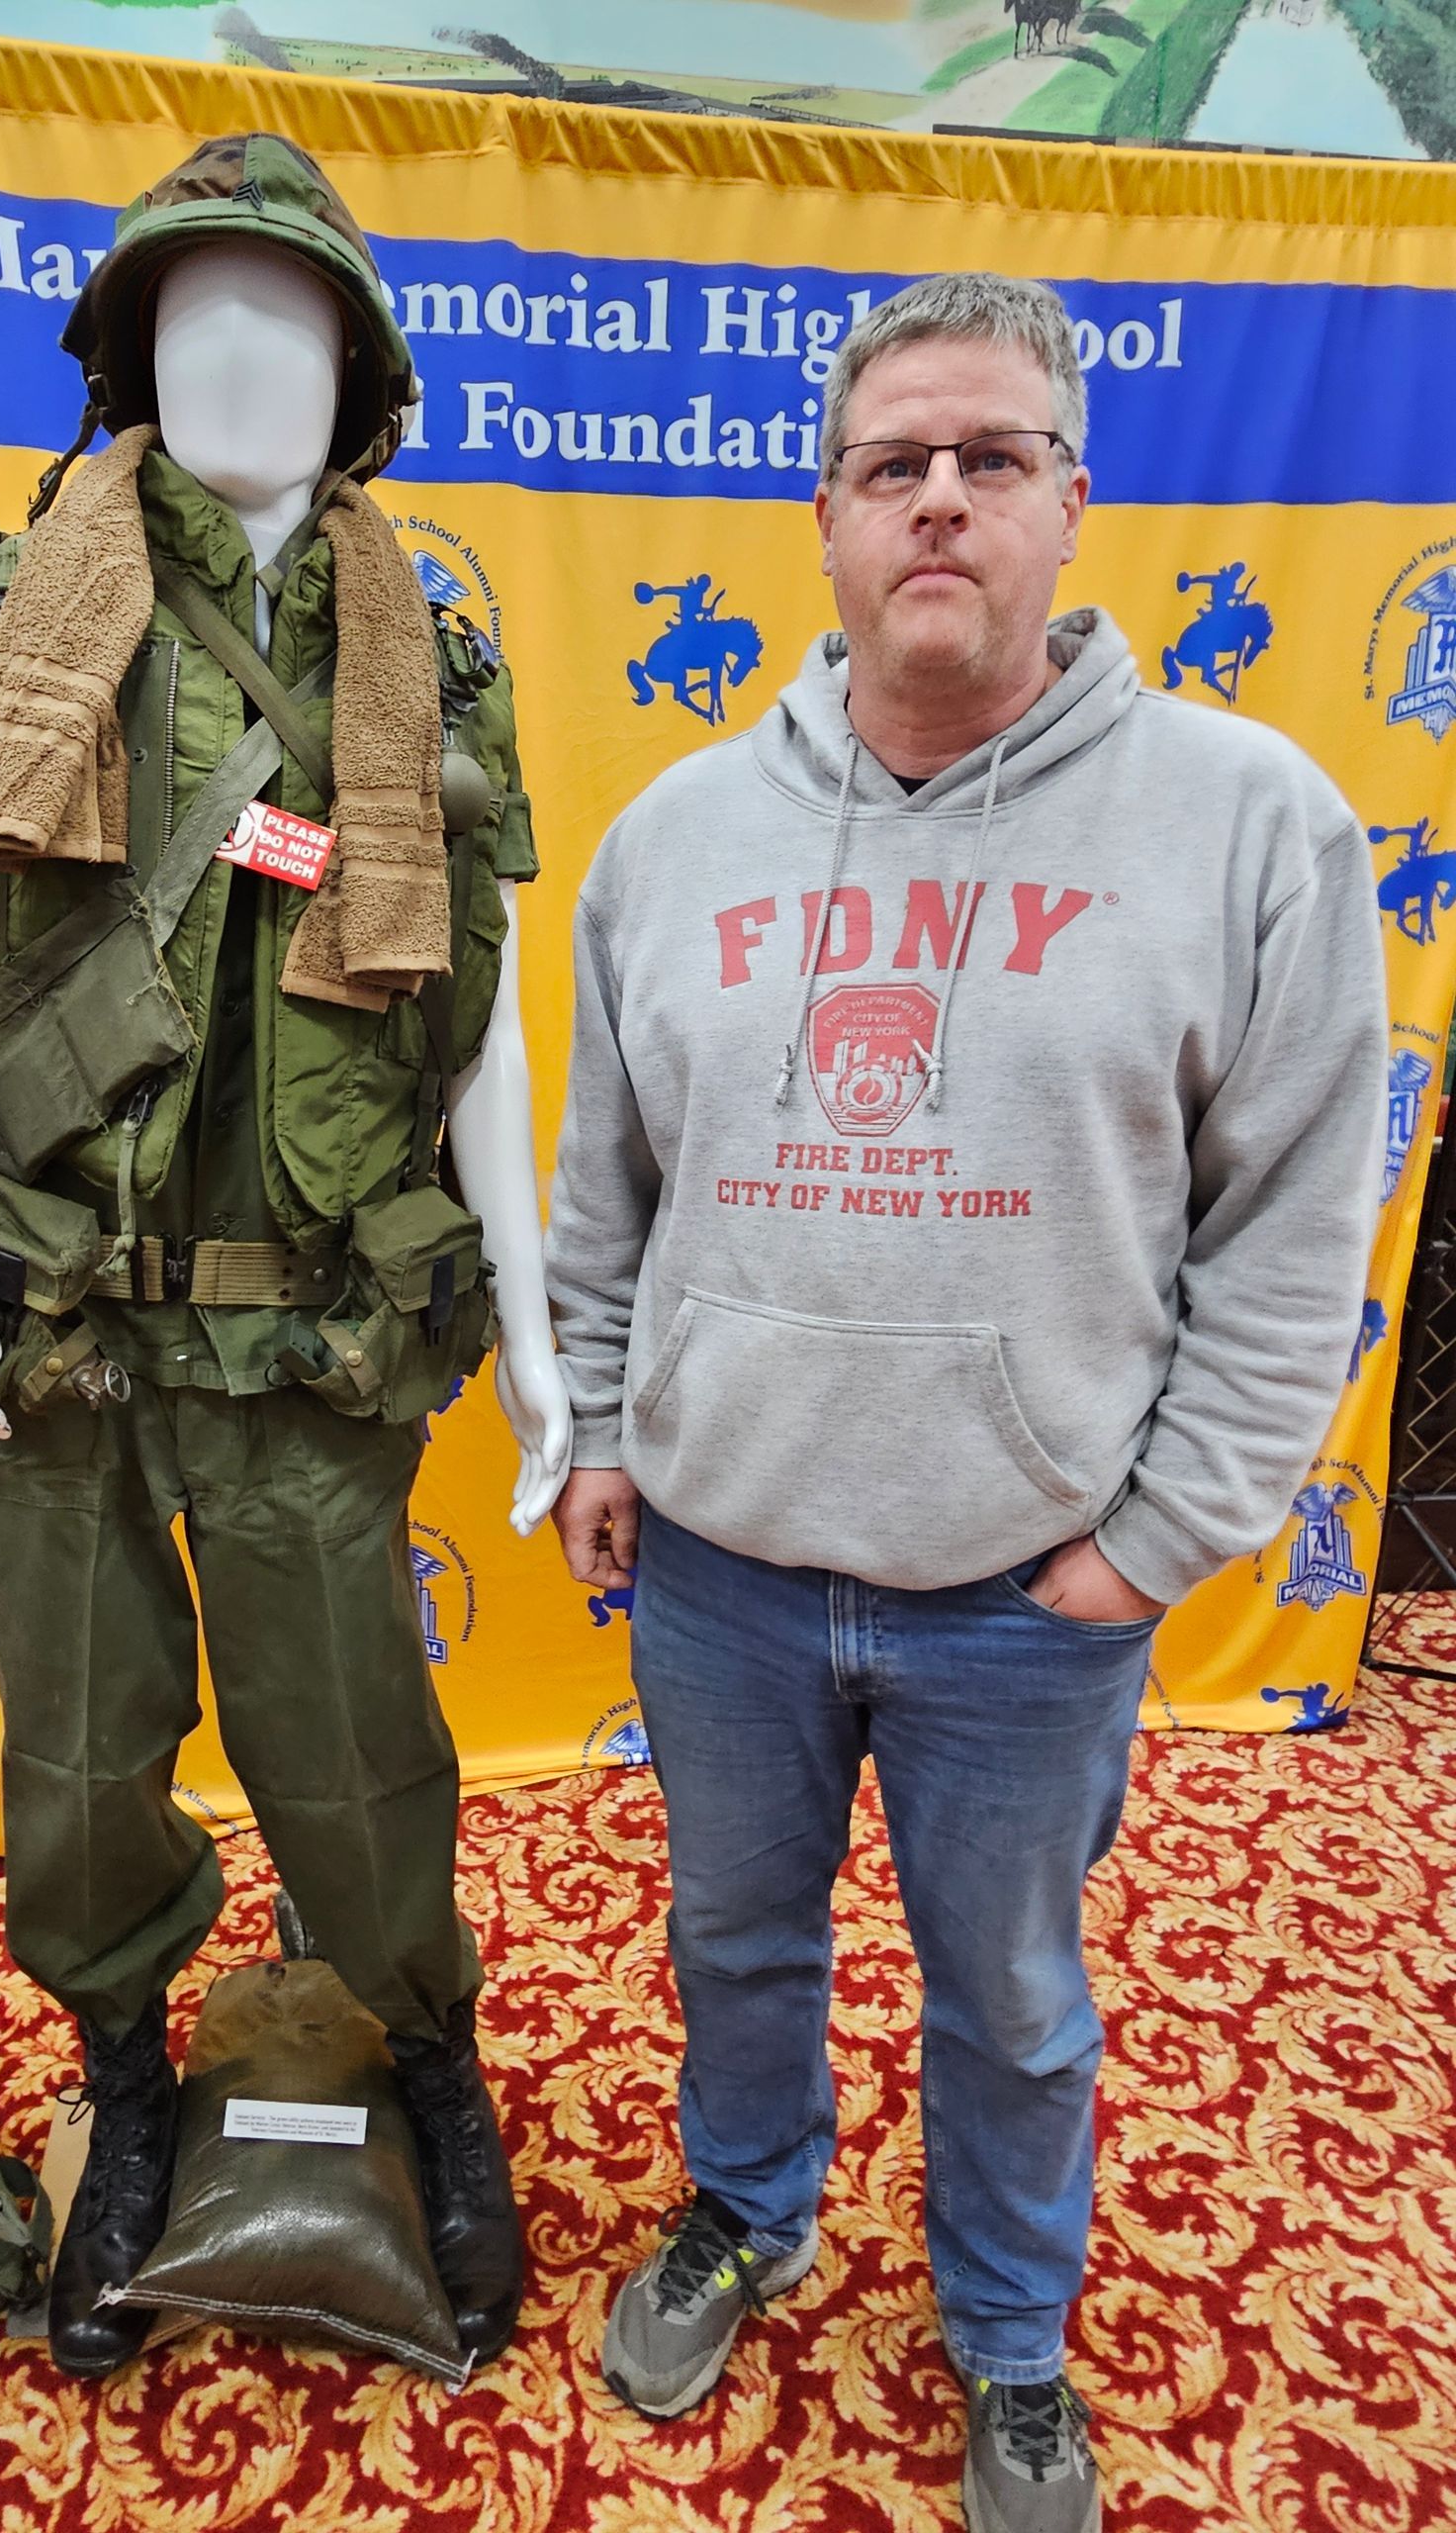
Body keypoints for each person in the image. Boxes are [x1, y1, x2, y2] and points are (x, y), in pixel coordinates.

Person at [545, 272, 1386, 2530]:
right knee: (733, 1943)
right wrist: (602, 1427)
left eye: (990, 458)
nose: (939, 499)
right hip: (721, 1566)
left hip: (1026, 1591)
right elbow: (606, 1183)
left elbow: (1297, 1224)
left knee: (1011, 1998)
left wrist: (1156, 1539)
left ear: (1069, 504)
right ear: (822, 515)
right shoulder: (672, 838)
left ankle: (1010, 2332)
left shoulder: (1249, 823)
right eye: (891, 462)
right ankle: (750, 2207)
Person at [0, 134, 571, 2377]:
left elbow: (482, 1016)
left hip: (313, 1333)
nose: (241, 352)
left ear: (362, 375)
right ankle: (126, 2079)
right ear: (127, 353)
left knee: (354, 1753)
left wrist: (541, 1331)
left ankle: (428, 2058)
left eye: (293, 314)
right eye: (192, 308)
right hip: (46, 1321)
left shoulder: (428, 662)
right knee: (74, 1765)